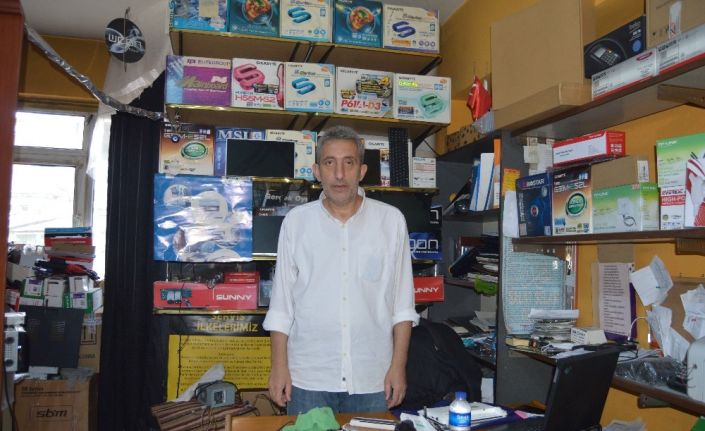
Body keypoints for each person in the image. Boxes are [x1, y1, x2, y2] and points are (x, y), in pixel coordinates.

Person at [263, 125, 419, 415]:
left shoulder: (390, 222)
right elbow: (282, 305)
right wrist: (279, 366)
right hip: (308, 377)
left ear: (361, 171)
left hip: (373, 377)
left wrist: (398, 367)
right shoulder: (296, 223)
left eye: (348, 163)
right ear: (317, 171)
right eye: (329, 163)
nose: (339, 174)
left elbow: (402, 305)